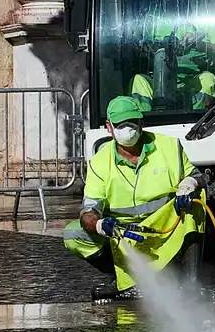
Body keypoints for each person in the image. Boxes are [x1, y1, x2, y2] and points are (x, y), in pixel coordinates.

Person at [63, 95, 206, 300]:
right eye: (121, 124)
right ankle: (126, 280)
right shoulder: (100, 162)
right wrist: (100, 224)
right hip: (125, 234)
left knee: (196, 204)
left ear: (141, 122)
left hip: (166, 226)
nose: (128, 129)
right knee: (73, 235)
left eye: (132, 122)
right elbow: (88, 212)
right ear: (109, 127)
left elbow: (198, 178)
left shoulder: (169, 147)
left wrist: (189, 184)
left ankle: (191, 285)